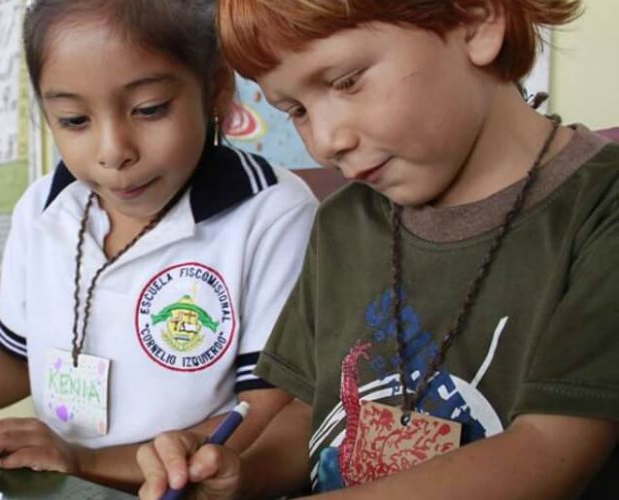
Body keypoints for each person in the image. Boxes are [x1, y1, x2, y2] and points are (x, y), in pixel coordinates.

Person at [137, 0, 619, 498]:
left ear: (477, 20)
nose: (325, 142)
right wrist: (243, 473)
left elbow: (546, 452)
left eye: (346, 81)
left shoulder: (602, 210)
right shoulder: (343, 222)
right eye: (296, 111)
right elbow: (314, 414)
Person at [0, 0, 317, 490]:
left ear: (215, 89)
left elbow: (269, 406)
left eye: (149, 110)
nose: (113, 152)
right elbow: (17, 356)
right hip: (64, 484)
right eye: (74, 120)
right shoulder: (42, 209)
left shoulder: (270, 213)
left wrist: (87, 459)